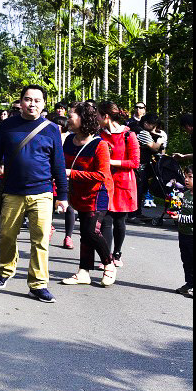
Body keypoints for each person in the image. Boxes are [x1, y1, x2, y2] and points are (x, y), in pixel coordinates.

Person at [0, 85, 69, 303]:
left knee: (40, 240)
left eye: (37, 100)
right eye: (28, 99)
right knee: (7, 235)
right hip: (12, 192)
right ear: (20, 102)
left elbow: (58, 163)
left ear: (44, 104)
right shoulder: (7, 126)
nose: (32, 104)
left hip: (42, 193)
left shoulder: (51, 129)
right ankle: (5, 271)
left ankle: (38, 284)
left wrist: (63, 195)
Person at [60, 102, 117, 288]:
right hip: (78, 195)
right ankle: (83, 272)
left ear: (83, 119)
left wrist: (71, 173)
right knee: (85, 233)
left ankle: (109, 265)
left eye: (71, 116)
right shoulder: (69, 141)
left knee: (92, 231)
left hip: (98, 194)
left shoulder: (100, 145)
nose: (68, 119)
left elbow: (102, 175)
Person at [98, 101, 139, 267]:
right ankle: (106, 257)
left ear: (106, 116)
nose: (96, 119)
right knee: (106, 222)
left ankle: (117, 253)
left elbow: (135, 162)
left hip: (123, 185)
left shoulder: (129, 135)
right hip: (105, 183)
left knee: (120, 222)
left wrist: (110, 162)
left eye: (98, 115)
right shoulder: (99, 135)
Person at [54, 115, 78, 250]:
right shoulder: (48, 135)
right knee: (50, 204)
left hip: (67, 174)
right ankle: (49, 228)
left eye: (59, 124)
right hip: (51, 176)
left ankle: (68, 236)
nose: (57, 127)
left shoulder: (69, 138)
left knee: (69, 206)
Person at [171, 166, 192, 297]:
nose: (186, 179)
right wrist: (176, 212)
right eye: (185, 176)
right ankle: (189, 284)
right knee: (186, 260)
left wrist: (181, 218)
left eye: (190, 177)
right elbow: (183, 210)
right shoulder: (187, 193)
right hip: (183, 233)